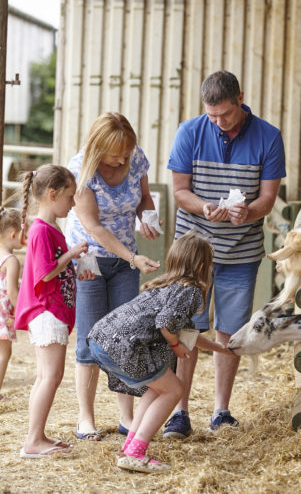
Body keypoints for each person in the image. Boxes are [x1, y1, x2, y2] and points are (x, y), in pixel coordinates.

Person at [165, 70, 286, 436]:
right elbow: (180, 191)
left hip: (242, 250)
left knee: (228, 332)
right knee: (187, 327)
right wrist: (204, 208)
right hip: (193, 251)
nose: (218, 122)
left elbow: (267, 198)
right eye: (211, 115)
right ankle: (178, 411)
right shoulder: (190, 131)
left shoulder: (268, 136)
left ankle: (221, 411)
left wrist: (248, 211)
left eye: (225, 115)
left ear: (240, 100)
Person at [87, 231, 234, 473]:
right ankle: (136, 452)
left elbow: (187, 333)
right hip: (124, 345)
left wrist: (220, 348)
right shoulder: (191, 291)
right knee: (175, 388)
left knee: (157, 389)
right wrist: (175, 346)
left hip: (101, 340)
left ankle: (129, 446)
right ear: (201, 265)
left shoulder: (167, 285)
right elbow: (165, 323)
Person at [65, 112, 161, 441]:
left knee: (127, 337)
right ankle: (85, 417)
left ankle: (127, 417)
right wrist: (133, 256)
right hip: (88, 258)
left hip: (124, 261)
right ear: (98, 148)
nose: (123, 160)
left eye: (127, 152)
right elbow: (94, 229)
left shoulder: (136, 159)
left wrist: (147, 215)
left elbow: (144, 196)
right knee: (90, 338)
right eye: (116, 154)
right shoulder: (80, 170)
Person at [15, 165, 92, 457]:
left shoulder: (48, 229)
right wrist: (72, 254)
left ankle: (38, 435)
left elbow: (54, 270)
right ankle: (33, 441)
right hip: (47, 310)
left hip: (52, 310)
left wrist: (74, 266)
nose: (73, 203)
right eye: (70, 197)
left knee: (45, 376)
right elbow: (45, 275)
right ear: (52, 193)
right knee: (51, 375)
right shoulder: (41, 231)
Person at [0, 207, 22, 401]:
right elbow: (12, 291)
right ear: (13, 234)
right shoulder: (11, 260)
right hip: (2, 315)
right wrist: (24, 313)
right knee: (3, 353)